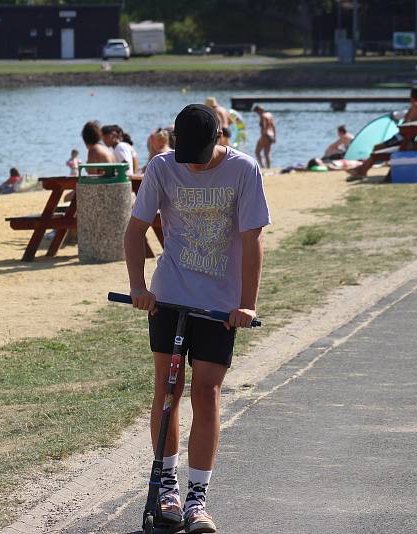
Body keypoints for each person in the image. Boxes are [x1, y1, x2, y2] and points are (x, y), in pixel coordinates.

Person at [124, 103, 270, 533]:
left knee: (206, 392)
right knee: (168, 390)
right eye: (183, 150)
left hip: (219, 305)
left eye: (198, 153)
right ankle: (167, 487)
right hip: (169, 296)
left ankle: (197, 498)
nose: (191, 161)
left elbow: (252, 239)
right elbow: (135, 232)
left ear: (218, 139)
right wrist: (138, 287)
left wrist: (247, 303)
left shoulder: (243, 170)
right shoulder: (161, 167)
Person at [347, 86, 417, 179]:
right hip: (408, 138)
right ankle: (361, 169)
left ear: (411, 97)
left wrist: (413, 121)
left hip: (403, 138)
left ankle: (361, 170)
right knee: (377, 148)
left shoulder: (416, 106)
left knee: (377, 148)